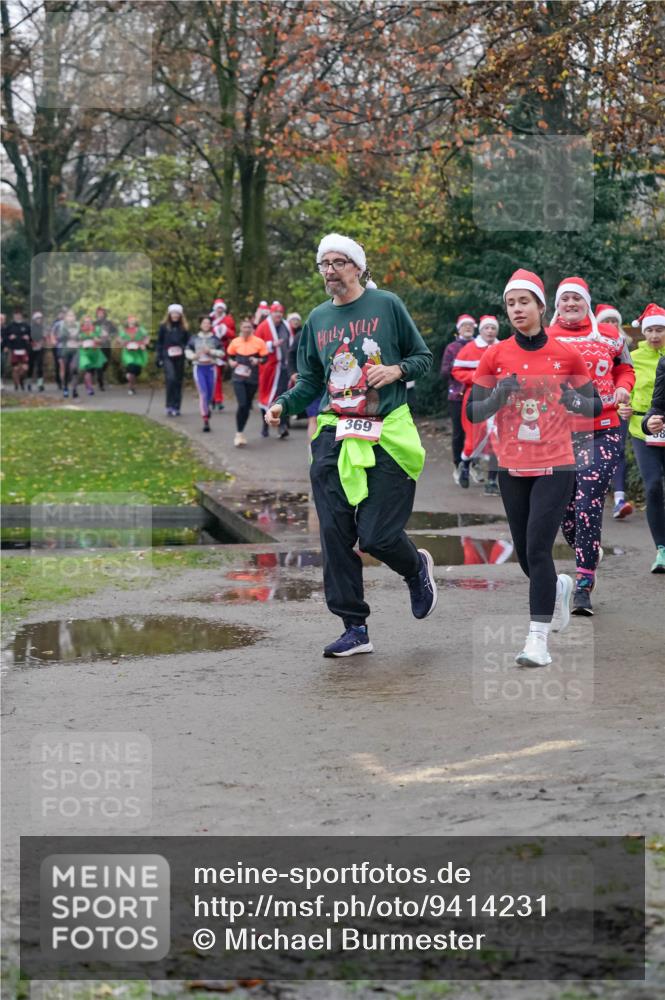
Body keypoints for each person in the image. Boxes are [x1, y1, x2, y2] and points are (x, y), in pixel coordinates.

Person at [265, 232, 436, 657]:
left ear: (358, 268)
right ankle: (354, 627)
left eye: (338, 262)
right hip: (335, 432)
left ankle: (415, 568)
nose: (330, 271)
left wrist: (396, 371)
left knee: (376, 535)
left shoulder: (387, 305)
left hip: (387, 430)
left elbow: (423, 358)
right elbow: (309, 380)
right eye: (324, 264)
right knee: (334, 532)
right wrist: (283, 405)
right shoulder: (318, 318)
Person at [468, 269, 601, 667]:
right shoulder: (495, 355)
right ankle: (557, 588)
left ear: (541, 307)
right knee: (527, 556)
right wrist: (498, 396)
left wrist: (574, 401)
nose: (517, 309)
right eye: (510, 303)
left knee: (539, 549)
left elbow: (594, 405)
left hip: (556, 463)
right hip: (511, 465)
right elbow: (474, 412)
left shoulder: (566, 354)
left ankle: (537, 642)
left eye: (524, 301)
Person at [549, 277, 635, 615]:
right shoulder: (546, 338)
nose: (571, 303)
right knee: (565, 510)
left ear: (587, 302)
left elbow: (625, 368)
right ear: (557, 304)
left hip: (604, 428)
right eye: (565, 298)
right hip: (561, 433)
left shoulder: (610, 336)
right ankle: (588, 549)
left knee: (588, 500)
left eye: (577, 298)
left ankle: (584, 583)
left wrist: (624, 386)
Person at [624, 304, 665, 573]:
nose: (654, 335)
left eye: (660, 329)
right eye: (650, 330)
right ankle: (662, 549)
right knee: (652, 486)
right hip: (642, 429)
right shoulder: (634, 358)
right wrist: (622, 407)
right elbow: (623, 387)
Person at [452, 314, 501, 494]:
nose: (490, 331)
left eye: (493, 328)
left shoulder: (502, 347)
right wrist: (476, 377)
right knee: (473, 440)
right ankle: (465, 466)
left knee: (497, 439)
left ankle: (492, 481)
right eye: (487, 328)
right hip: (476, 397)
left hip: (498, 398)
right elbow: (456, 371)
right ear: (480, 330)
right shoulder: (469, 348)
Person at [594, 303, 634, 520]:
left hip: (620, 407)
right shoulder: (590, 345)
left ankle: (619, 499)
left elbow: (630, 375)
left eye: (614, 321)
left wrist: (627, 398)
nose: (610, 325)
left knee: (617, 451)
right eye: (606, 321)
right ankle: (593, 496)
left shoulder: (624, 347)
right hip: (594, 409)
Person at [440, 314, 476, 483]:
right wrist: (460, 364)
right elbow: (444, 371)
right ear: (459, 329)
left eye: (470, 325)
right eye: (464, 325)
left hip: (479, 395)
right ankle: (458, 465)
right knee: (459, 433)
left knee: (477, 432)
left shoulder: (480, 345)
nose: (468, 328)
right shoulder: (452, 348)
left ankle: (472, 465)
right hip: (457, 395)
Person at [227, 317, 269, 446]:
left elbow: (265, 358)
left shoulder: (259, 342)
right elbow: (230, 356)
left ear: (252, 329)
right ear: (240, 328)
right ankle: (239, 434)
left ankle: (241, 431)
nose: (246, 329)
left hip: (252, 378)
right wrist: (231, 362)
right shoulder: (235, 342)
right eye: (244, 327)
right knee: (242, 404)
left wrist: (258, 360)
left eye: (249, 327)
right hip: (238, 377)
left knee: (246, 406)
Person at [257, 301, 293, 439]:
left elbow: (292, 343)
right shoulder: (263, 326)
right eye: (275, 312)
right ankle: (265, 425)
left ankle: (282, 426)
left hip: (284, 367)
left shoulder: (286, 326)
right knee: (267, 395)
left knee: (282, 395)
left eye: (280, 312)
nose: (278, 314)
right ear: (271, 313)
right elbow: (257, 344)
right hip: (269, 368)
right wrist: (271, 344)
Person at [185, 315, 224, 432]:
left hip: (211, 368)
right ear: (200, 325)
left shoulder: (215, 339)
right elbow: (187, 350)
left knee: (210, 394)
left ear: (211, 325)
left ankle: (207, 407)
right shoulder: (194, 338)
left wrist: (210, 351)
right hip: (199, 368)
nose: (206, 325)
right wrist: (194, 356)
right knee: (203, 393)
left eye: (208, 323)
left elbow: (222, 353)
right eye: (204, 323)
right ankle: (205, 419)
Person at [156, 304, 189, 416]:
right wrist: (159, 357)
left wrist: (184, 349)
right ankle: (169, 405)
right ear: (169, 314)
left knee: (178, 381)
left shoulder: (184, 327)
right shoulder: (164, 327)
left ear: (180, 315)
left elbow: (188, 343)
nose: (175, 315)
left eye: (177, 313)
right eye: (173, 313)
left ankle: (176, 406)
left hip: (180, 357)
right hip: (167, 356)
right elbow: (159, 342)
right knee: (171, 379)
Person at [210, 298, 236, 411]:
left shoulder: (228, 319)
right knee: (213, 375)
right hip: (210, 349)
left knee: (218, 375)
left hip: (222, 350)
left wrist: (225, 330)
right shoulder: (209, 319)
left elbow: (233, 335)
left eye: (221, 308)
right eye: (218, 308)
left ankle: (218, 399)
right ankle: (214, 398)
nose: (219, 310)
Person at [119, 315, 150, 395]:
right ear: (127, 322)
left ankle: (131, 380)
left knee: (136, 371)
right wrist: (123, 343)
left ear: (136, 321)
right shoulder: (124, 330)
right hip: (128, 353)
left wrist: (144, 343)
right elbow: (120, 339)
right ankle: (131, 388)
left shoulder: (140, 329)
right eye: (130, 320)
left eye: (133, 320)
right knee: (131, 368)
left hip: (138, 353)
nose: (132, 321)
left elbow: (146, 337)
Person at [3, 308, 31, 390]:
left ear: (21, 316)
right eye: (16, 315)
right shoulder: (10, 326)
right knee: (15, 369)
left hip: (24, 349)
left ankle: (21, 380)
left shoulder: (26, 326)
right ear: (14, 316)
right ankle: (16, 385)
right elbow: (4, 337)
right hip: (14, 349)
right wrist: (9, 338)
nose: (17, 316)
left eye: (19, 315)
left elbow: (31, 337)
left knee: (25, 368)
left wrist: (28, 337)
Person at [55, 309, 80, 398]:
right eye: (69, 316)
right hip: (66, 350)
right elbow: (59, 337)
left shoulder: (78, 325)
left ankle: (74, 390)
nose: (71, 317)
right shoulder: (63, 326)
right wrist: (68, 336)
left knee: (75, 369)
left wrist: (79, 338)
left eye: (72, 316)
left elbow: (82, 335)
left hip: (75, 350)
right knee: (66, 370)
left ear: (75, 317)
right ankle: (65, 387)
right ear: (66, 317)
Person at [77, 316, 106, 395]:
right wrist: (81, 343)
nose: (87, 323)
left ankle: (90, 384)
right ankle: (90, 388)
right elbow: (76, 341)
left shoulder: (96, 329)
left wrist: (97, 340)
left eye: (89, 321)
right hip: (85, 353)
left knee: (96, 370)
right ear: (83, 323)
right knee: (88, 370)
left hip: (95, 352)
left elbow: (103, 339)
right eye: (86, 322)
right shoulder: (80, 330)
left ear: (91, 322)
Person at [94, 306, 117, 391]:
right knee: (99, 363)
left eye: (102, 313)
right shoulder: (94, 323)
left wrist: (110, 336)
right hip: (98, 346)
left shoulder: (109, 323)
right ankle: (100, 382)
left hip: (107, 345)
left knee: (106, 363)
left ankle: (101, 376)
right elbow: (90, 333)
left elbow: (115, 332)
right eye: (98, 313)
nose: (100, 314)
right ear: (96, 314)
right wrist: (95, 338)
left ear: (104, 314)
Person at [27, 311, 45, 391]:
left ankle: (40, 384)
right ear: (34, 319)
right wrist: (32, 342)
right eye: (38, 318)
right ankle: (29, 383)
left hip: (40, 349)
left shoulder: (42, 328)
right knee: (31, 366)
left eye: (40, 318)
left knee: (40, 366)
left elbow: (44, 337)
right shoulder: (30, 328)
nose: (39, 320)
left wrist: (42, 341)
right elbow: (28, 338)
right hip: (32, 350)